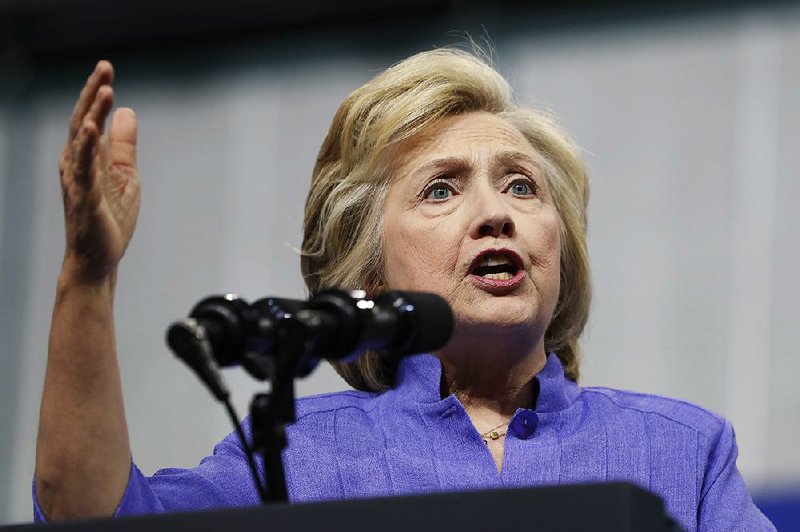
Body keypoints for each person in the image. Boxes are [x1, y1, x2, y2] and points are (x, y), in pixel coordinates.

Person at [34, 48, 774, 531]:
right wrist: (88, 278)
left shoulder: (682, 451)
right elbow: (88, 518)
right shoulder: (293, 457)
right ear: (370, 273)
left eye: (521, 185)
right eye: (441, 191)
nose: (495, 213)